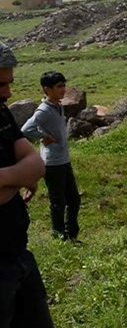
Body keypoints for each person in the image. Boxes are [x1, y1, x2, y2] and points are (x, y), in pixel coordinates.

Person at [0, 43, 87, 328]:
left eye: (9, 84)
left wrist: (13, 179)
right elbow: (27, 166)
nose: (5, 92)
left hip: (16, 250)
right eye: (0, 84)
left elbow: (32, 162)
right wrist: (18, 175)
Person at [20, 71, 80, 242]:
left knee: (74, 199)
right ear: (47, 89)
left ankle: (71, 234)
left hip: (64, 159)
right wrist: (43, 136)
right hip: (53, 162)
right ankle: (59, 235)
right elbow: (26, 128)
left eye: (63, 85)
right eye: (59, 86)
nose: (63, 89)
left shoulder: (58, 106)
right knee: (58, 201)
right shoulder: (44, 110)